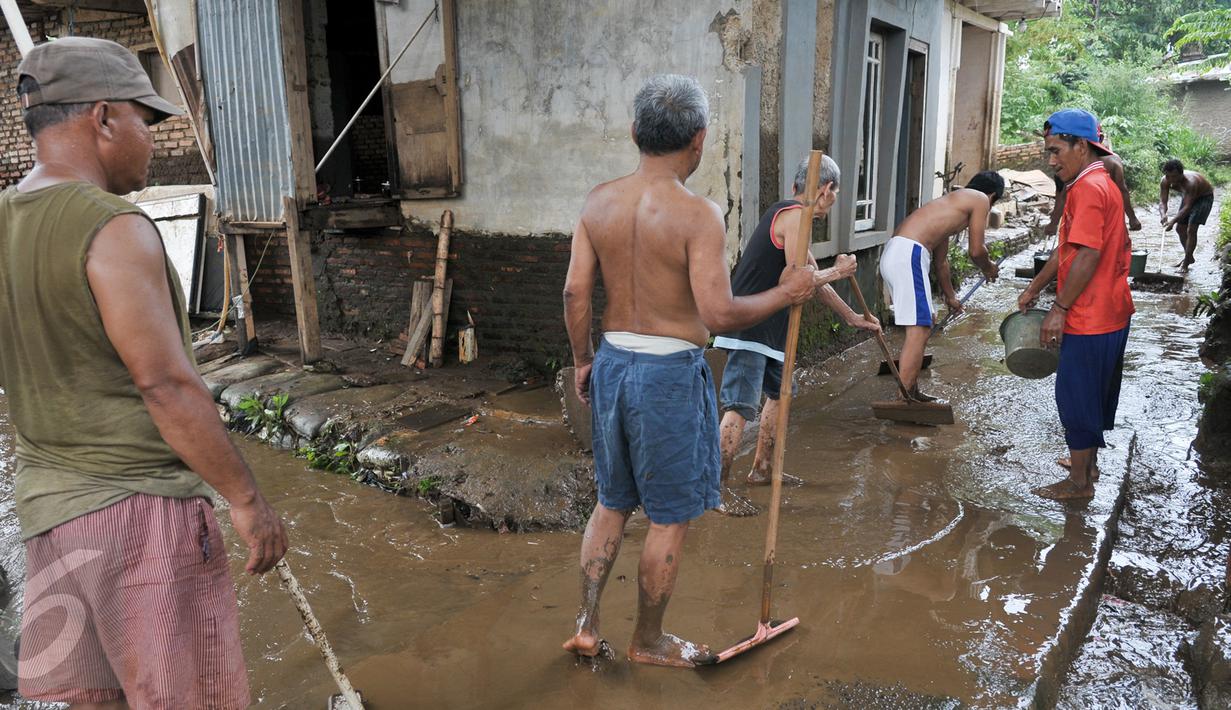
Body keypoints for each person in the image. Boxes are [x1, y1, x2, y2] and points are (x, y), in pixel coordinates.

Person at [0, 38, 288, 707]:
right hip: (140, 513)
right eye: (142, 119)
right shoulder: (112, 226)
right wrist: (247, 503)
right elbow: (163, 382)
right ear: (102, 118)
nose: (151, 140)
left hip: (49, 513)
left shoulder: (7, 220)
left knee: (96, 700)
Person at [560, 74, 815, 668]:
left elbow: (575, 292)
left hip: (613, 364)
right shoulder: (698, 214)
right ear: (699, 140)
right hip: (668, 375)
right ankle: (647, 642)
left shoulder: (598, 200)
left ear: (634, 134)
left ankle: (585, 625)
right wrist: (789, 290)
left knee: (611, 503)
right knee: (670, 518)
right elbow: (719, 313)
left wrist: (582, 361)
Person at [712, 154, 880, 516]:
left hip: (770, 330)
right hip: (750, 326)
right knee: (740, 406)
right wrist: (839, 271)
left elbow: (811, 277)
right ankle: (714, 490)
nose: (832, 203)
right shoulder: (794, 216)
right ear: (827, 190)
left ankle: (762, 469)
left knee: (781, 393)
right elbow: (795, 283)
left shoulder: (794, 216)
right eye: (835, 195)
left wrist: (852, 316)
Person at [1018, 108, 1134, 500]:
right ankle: (1088, 463)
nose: (1051, 161)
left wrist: (1059, 309)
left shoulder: (1086, 189)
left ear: (1081, 146)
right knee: (1096, 391)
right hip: (1113, 309)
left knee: (1074, 394)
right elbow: (1067, 250)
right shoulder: (1099, 181)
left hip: (1091, 314)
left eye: (1055, 151)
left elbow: (1086, 255)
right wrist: (1035, 288)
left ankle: (1079, 483)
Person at [878, 170, 1003, 401]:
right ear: (993, 195)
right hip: (910, 254)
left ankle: (910, 390)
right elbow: (976, 251)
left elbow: (941, 262)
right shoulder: (980, 199)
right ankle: (904, 399)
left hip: (896, 253)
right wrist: (988, 267)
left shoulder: (950, 204)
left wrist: (951, 297)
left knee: (926, 321)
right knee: (919, 328)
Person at [1045, 152, 1142, 236]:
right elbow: (1122, 191)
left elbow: (1061, 198)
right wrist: (1132, 218)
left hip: (1082, 218)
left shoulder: (1071, 164)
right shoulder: (1113, 160)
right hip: (1110, 218)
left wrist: (1053, 223)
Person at [1159, 158, 1215, 271]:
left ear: (1181, 174)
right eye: (1168, 176)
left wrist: (1173, 221)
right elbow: (1162, 201)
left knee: (1191, 229)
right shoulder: (1165, 181)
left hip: (1204, 197)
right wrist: (1163, 214)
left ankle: (1185, 263)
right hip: (1188, 196)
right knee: (1180, 229)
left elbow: (1188, 207)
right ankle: (1189, 257)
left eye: (1174, 176)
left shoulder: (1190, 182)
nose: (1171, 179)